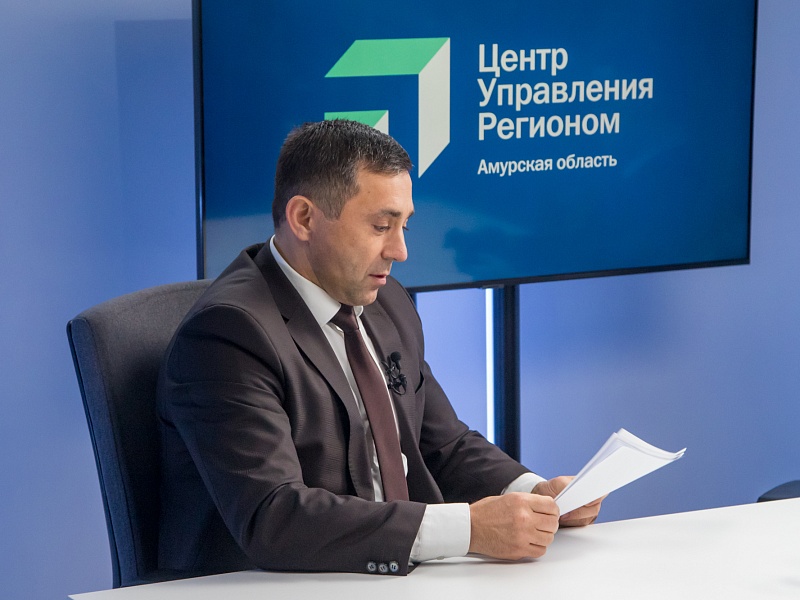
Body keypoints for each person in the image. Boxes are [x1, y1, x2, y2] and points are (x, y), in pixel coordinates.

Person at [157, 119, 602, 578]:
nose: (400, 250)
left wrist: (534, 494)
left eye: (404, 225)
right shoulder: (227, 334)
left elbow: (444, 444)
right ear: (304, 218)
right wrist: (468, 529)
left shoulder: (387, 301)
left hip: (390, 576)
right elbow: (275, 517)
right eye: (381, 226)